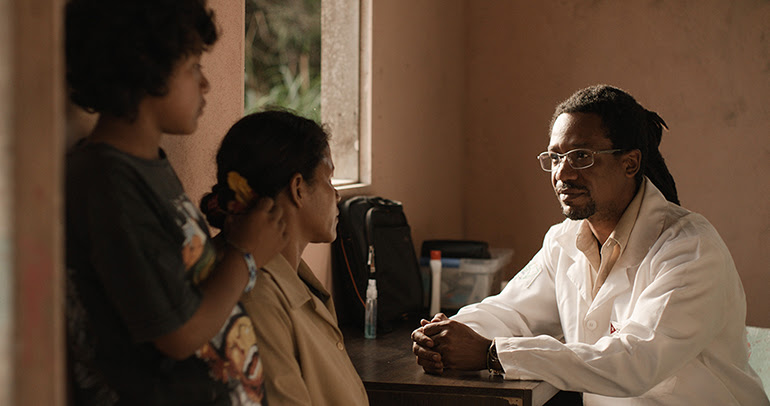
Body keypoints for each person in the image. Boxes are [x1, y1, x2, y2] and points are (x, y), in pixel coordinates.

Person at [411, 84, 770, 405]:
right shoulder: (563, 241)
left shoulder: (690, 249)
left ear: (630, 164)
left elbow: (635, 360)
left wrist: (492, 354)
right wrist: (447, 333)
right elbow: (512, 311)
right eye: (555, 157)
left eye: (581, 156)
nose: (562, 173)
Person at [65, 1, 287, 404]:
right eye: (193, 67)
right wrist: (245, 256)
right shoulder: (107, 182)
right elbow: (179, 334)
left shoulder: (147, 166)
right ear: (146, 70)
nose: (205, 85)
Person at [200, 110, 369, 406]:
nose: (336, 195)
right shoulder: (255, 297)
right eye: (329, 178)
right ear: (298, 188)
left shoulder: (295, 280)